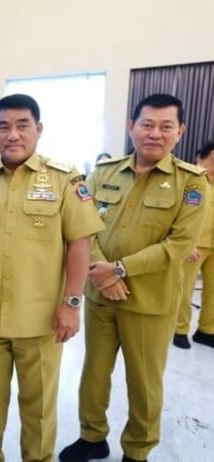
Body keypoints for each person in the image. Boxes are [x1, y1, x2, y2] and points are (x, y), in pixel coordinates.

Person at [0, 94, 104, 462]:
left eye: (22, 126)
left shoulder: (64, 179)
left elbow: (80, 243)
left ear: (39, 129)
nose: (13, 134)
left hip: (42, 320)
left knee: (40, 406)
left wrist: (72, 304)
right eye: (4, 127)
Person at [60, 94, 210, 462]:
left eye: (166, 126)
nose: (155, 133)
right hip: (100, 295)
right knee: (93, 374)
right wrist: (104, 273)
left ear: (180, 132)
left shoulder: (192, 184)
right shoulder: (104, 172)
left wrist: (119, 269)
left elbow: (179, 245)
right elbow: (83, 228)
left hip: (150, 302)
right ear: (131, 127)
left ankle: (138, 450)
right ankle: (92, 436)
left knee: (143, 382)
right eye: (147, 124)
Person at [175, 143, 214, 350]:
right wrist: (187, 243)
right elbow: (180, 213)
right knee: (185, 288)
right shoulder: (191, 177)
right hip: (194, 245)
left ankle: (206, 330)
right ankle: (179, 329)